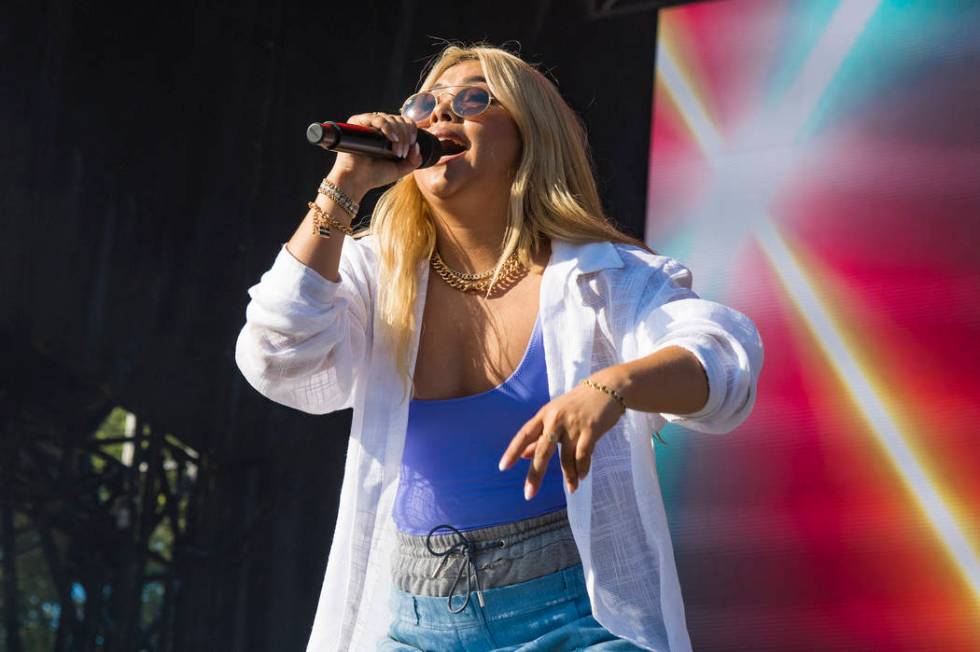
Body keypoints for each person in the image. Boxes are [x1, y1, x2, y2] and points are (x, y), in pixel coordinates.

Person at [235, 43, 763, 652]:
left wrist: (611, 386)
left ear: (529, 136)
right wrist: (343, 184)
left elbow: (721, 356)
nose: (438, 117)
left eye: (472, 100)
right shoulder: (375, 275)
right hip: (413, 622)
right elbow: (276, 353)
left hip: (572, 619)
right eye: (425, 104)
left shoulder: (602, 279)